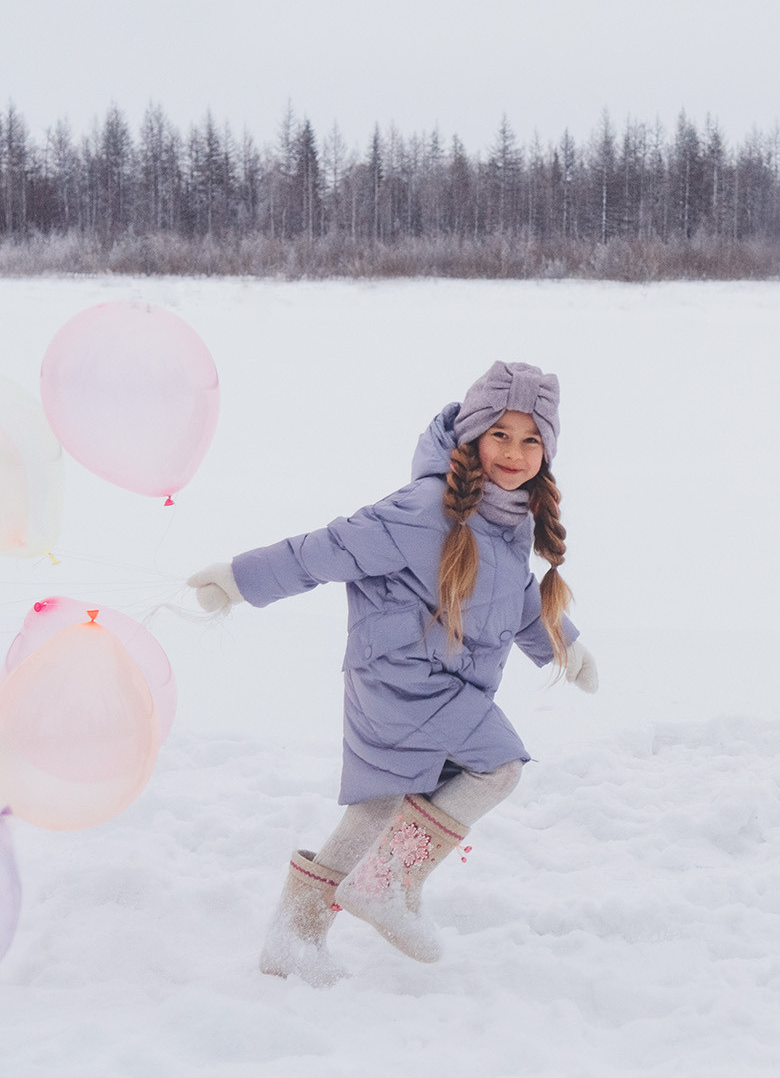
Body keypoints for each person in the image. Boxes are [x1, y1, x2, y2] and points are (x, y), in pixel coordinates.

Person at [186, 361, 597, 986]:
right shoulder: (421, 510)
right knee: (498, 766)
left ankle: (292, 936)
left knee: (381, 808)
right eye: (500, 435)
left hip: (420, 683)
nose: (514, 453)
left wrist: (566, 647)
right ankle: (386, 882)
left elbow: (512, 602)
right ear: (472, 436)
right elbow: (324, 550)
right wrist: (239, 581)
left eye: (530, 439)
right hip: (406, 680)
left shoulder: (510, 518)